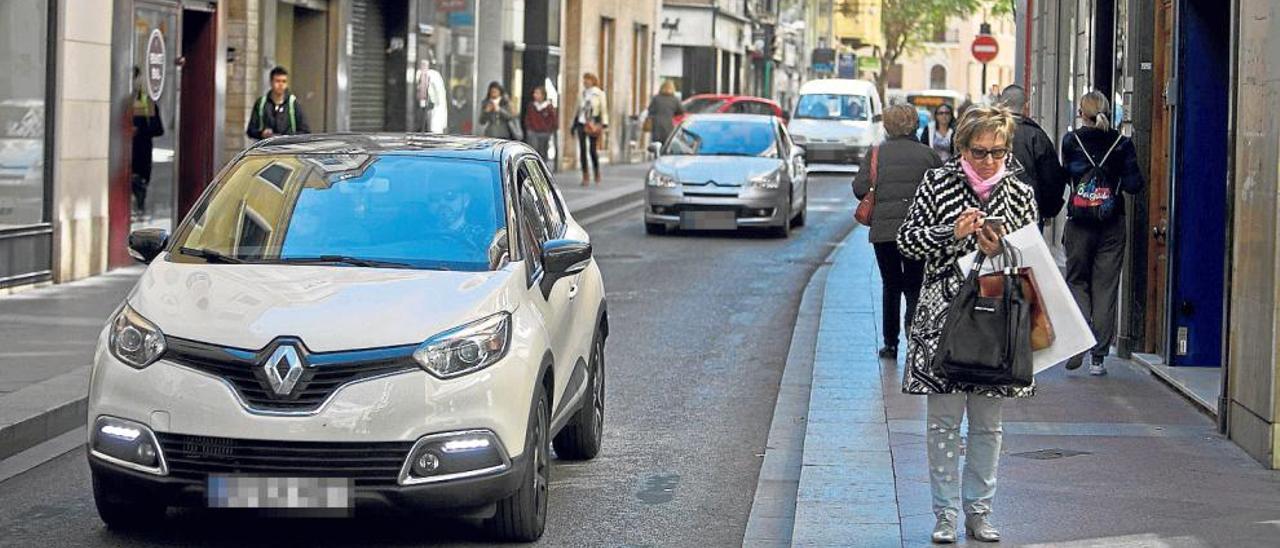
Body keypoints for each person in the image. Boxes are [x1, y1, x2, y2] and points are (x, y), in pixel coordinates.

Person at [896, 105, 1039, 544]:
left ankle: (979, 511)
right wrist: (949, 233)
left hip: (999, 325)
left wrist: (1002, 247)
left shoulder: (1019, 192)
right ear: (962, 148)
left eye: (998, 152)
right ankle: (944, 515)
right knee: (942, 423)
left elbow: (1033, 257)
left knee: (988, 424)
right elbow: (906, 239)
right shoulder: (938, 182)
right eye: (980, 152)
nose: (990, 161)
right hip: (943, 320)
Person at [1060, 91, 1145, 375]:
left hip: (1079, 223)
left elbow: (1066, 176)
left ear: (1082, 113)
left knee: (1076, 281)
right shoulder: (1122, 144)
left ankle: (1081, 334)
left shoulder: (1071, 142)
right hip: (1111, 223)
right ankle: (1098, 358)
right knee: (1106, 287)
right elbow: (1135, 185)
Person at [853, 104, 944, 360]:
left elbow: (860, 188)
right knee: (915, 284)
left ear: (887, 126)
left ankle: (890, 343)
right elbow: (940, 192)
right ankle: (914, 333)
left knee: (890, 284)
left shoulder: (876, 153)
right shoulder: (928, 156)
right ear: (915, 124)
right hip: (919, 232)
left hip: (884, 231)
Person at [999, 84, 1069, 221]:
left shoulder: (988, 131)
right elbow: (1050, 176)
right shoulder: (1036, 135)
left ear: (1001, 104)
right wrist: (1048, 210)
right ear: (1026, 105)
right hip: (1028, 209)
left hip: (994, 208)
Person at [131, 66, 163, 216]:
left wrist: (139, 131)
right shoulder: (119, 101)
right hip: (122, 155)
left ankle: (140, 207)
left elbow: (158, 129)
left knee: (139, 184)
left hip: (140, 153)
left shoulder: (145, 102)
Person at [246, 66, 310, 140]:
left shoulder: (293, 103)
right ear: (271, 82)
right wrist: (262, 133)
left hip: (287, 148)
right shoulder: (261, 103)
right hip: (266, 148)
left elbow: (305, 131)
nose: (281, 85)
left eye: (284, 81)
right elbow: (250, 130)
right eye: (277, 81)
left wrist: (286, 136)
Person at [572, 73, 609, 185]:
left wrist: (604, 124)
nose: (585, 82)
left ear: (593, 81)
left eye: (587, 80)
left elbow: (603, 109)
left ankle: (596, 172)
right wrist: (573, 124)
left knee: (592, 150)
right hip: (582, 123)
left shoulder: (599, 94)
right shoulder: (582, 94)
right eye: (584, 80)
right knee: (582, 150)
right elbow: (577, 109)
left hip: (593, 123)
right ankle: (585, 176)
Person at [523, 86, 557, 159]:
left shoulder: (548, 107)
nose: (535, 95)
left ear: (543, 95)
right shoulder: (531, 106)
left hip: (544, 133)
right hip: (533, 132)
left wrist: (549, 129)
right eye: (535, 93)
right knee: (533, 151)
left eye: (537, 93)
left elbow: (553, 119)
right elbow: (527, 118)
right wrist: (529, 128)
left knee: (543, 152)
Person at [646, 80, 683, 146]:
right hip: (668, 125)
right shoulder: (675, 99)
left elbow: (650, 110)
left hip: (657, 125)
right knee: (667, 144)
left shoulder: (656, 98)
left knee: (656, 145)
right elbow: (681, 111)